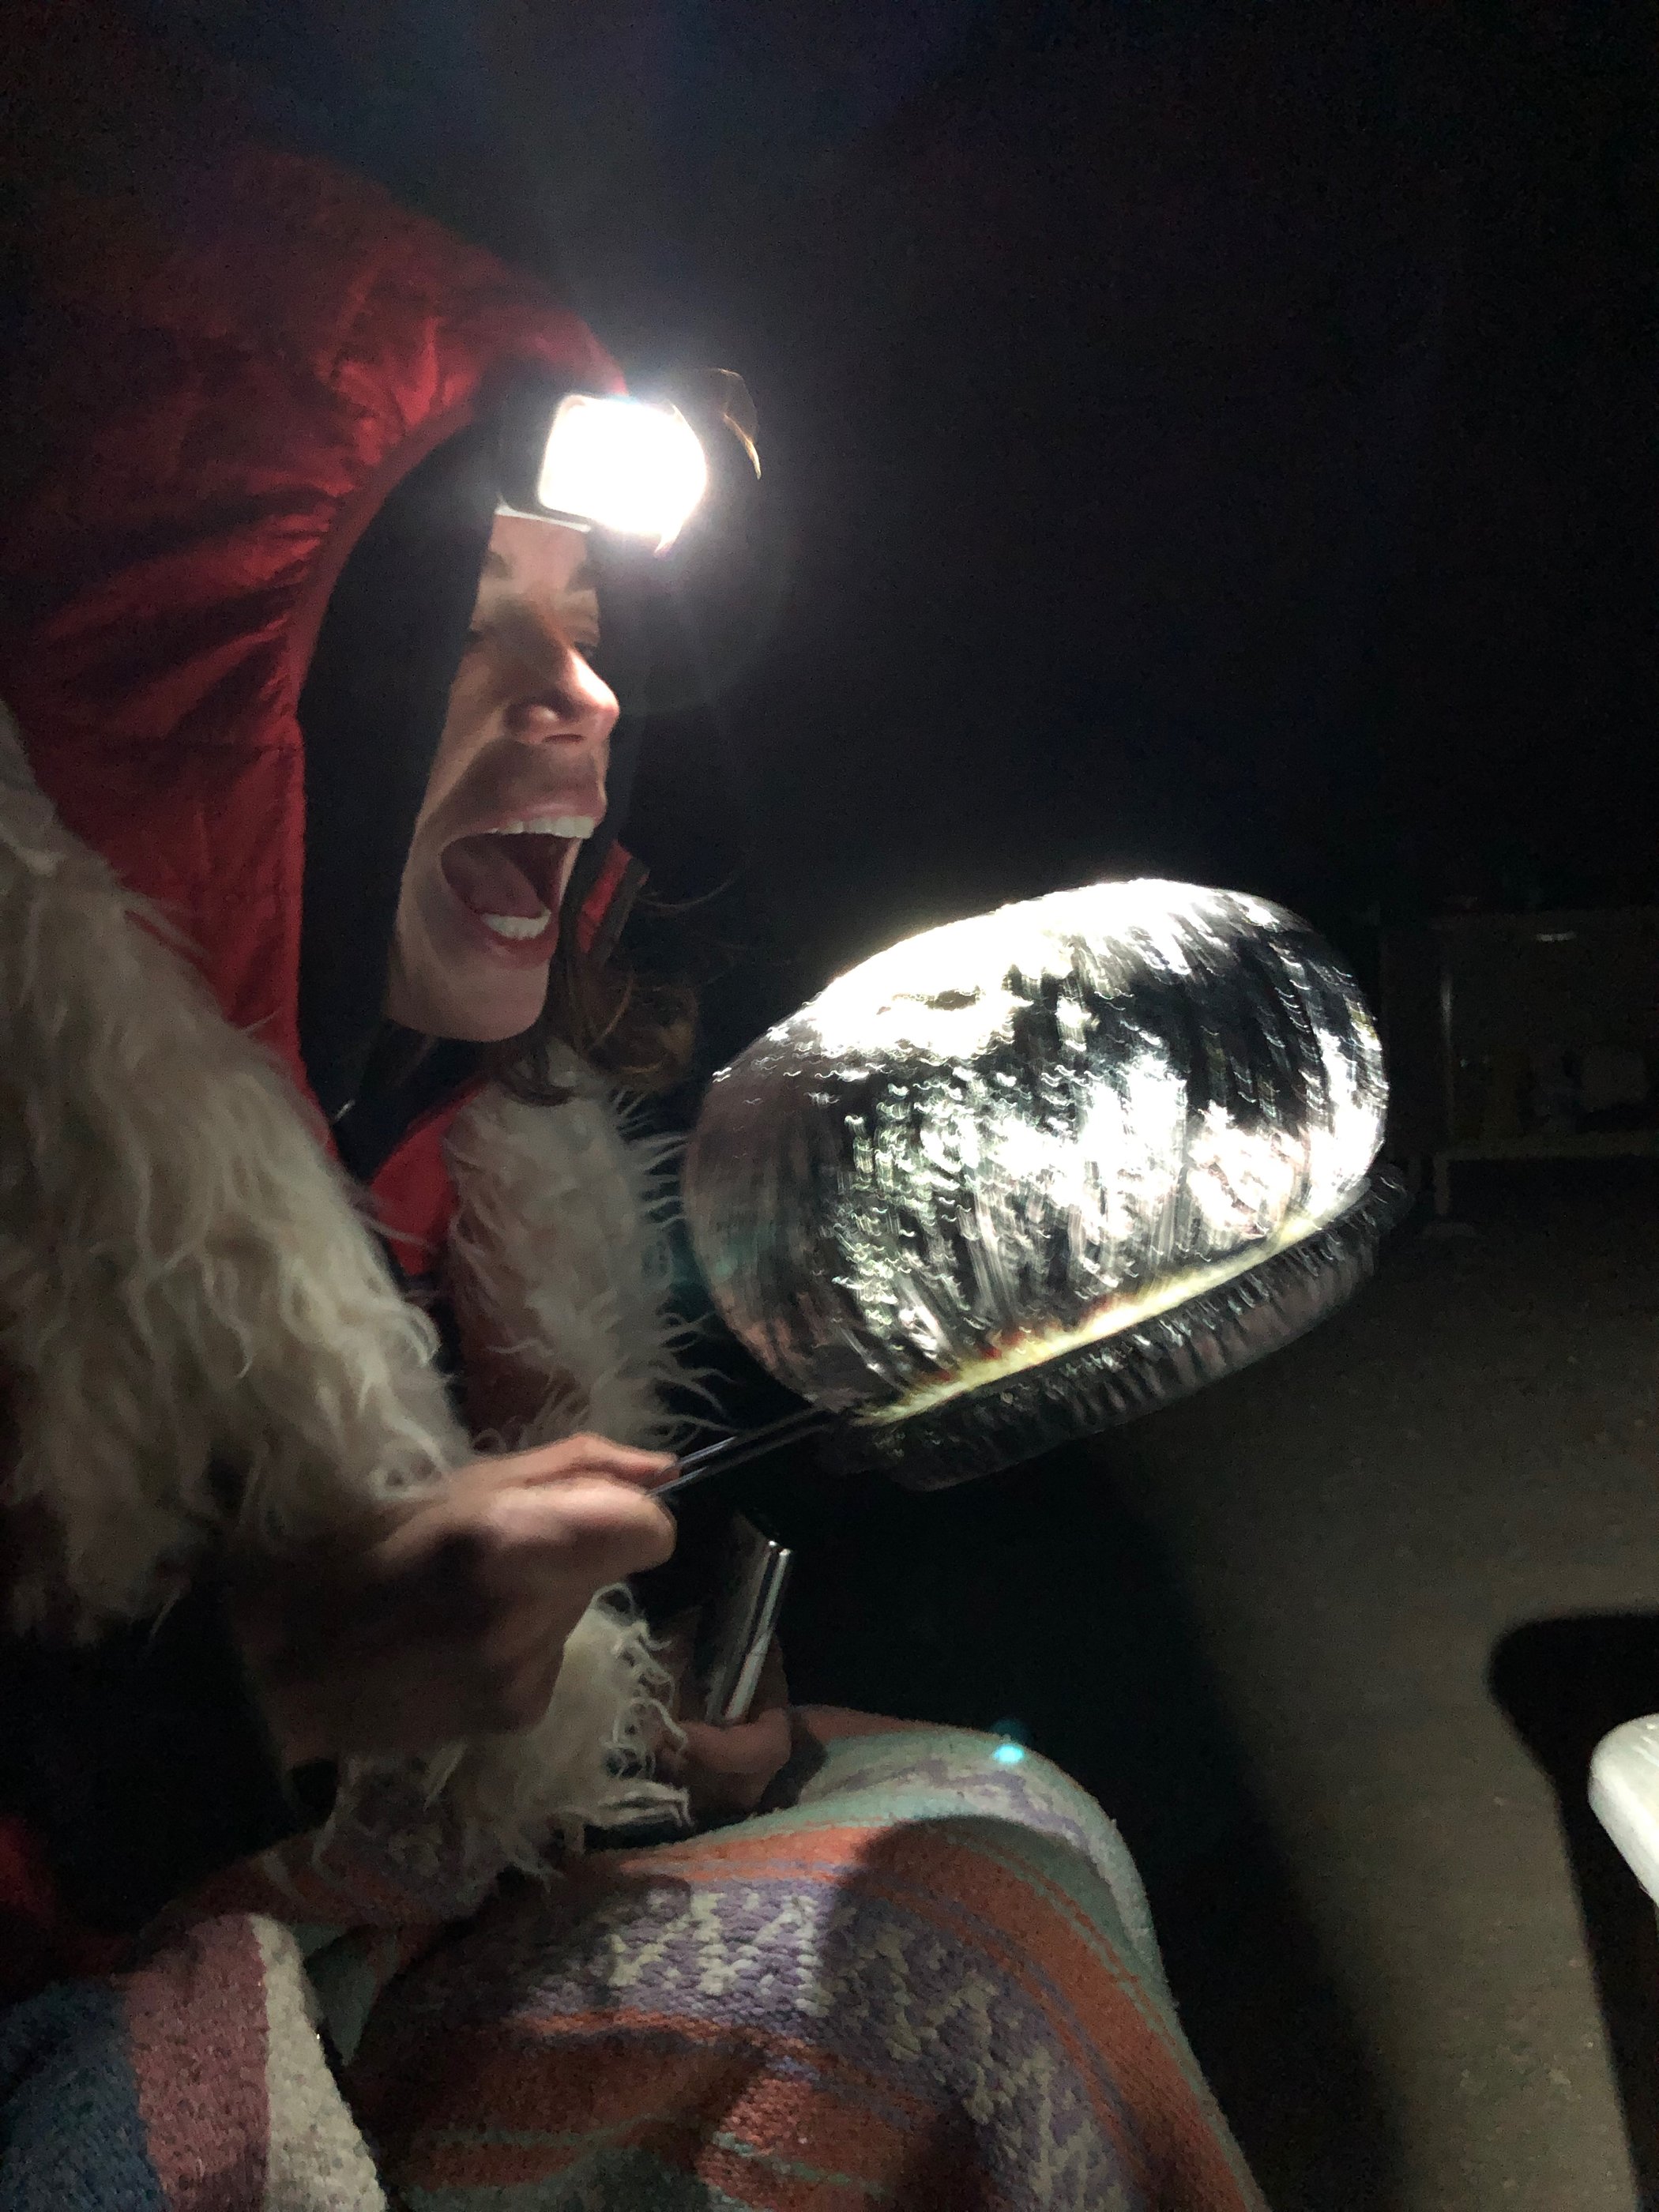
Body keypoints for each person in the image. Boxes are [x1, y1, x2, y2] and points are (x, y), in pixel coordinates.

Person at [0, 53, 1266, 2210]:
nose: (584, 700)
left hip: (358, 1965)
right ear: (235, 721)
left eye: (591, 638)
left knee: (996, 1830)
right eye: (468, 632)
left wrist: (648, 1743)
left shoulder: (443, 1156)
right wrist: (258, 1691)